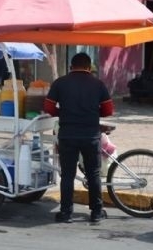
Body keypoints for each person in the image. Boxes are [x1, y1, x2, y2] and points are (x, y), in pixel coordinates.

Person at [43, 53, 114, 224]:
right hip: (91, 135)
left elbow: (48, 107)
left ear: (70, 67)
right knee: (94, 174)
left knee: (67, 174)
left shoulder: (60, 83)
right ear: (89, 68)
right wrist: (94, 113)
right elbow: (108, 110)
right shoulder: (98, 84)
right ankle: (96, 212)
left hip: (67, 135)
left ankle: (66, 213)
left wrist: (63, 113)